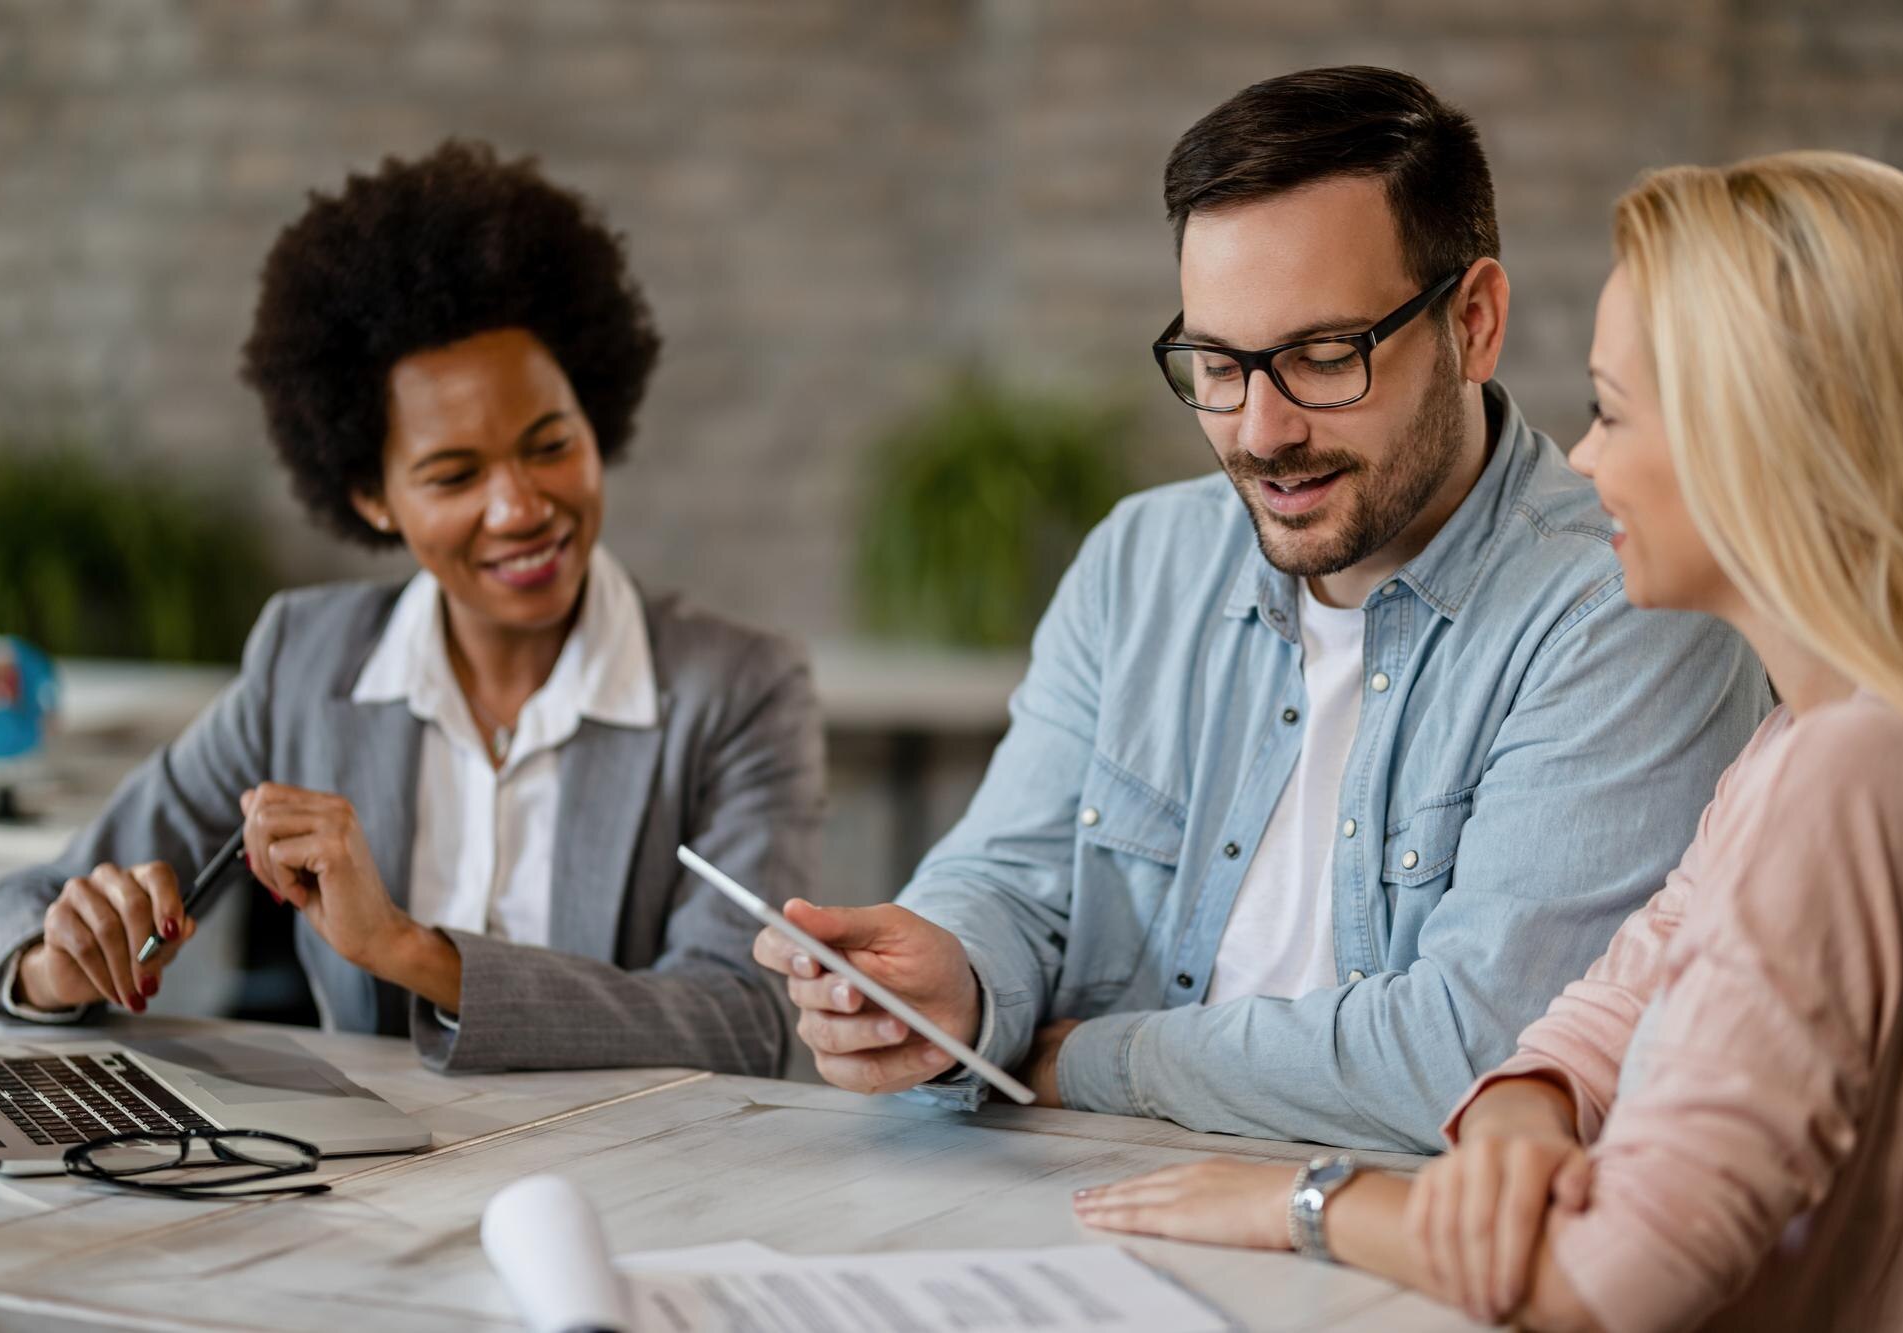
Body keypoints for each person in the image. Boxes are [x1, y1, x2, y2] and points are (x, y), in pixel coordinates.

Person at [753, 66, 1772, 1150]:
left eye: (1323, 356)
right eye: (1214, 364)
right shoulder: (1140, 560)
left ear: (1471, 323)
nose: (1259, 430)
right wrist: (948, 977)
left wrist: (1078, 1057)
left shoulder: (1624, 603)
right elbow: (1009, 871)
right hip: (1096, 1197)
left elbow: (1478, 1052)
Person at [1076, 149, 1903, 1333]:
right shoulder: (1801, 739)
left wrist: (1305, 1201)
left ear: (1764, 440)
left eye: (1612, 412)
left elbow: (1612, 1279)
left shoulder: (1855, 769)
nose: (1581, 459)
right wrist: (1526, 1106)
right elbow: (1612, 998)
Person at [0, 141, 823, 1076]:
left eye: (550, 444)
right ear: (371, 496)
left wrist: (409, 950)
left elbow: (744, 1020)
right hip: (368, 1196)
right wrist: (62, 964)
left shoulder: (737, 691)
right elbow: (21, 908)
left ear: (597, 418)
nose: (520, 507)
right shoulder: (307, 661)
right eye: (455, 474)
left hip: (632, 1193)